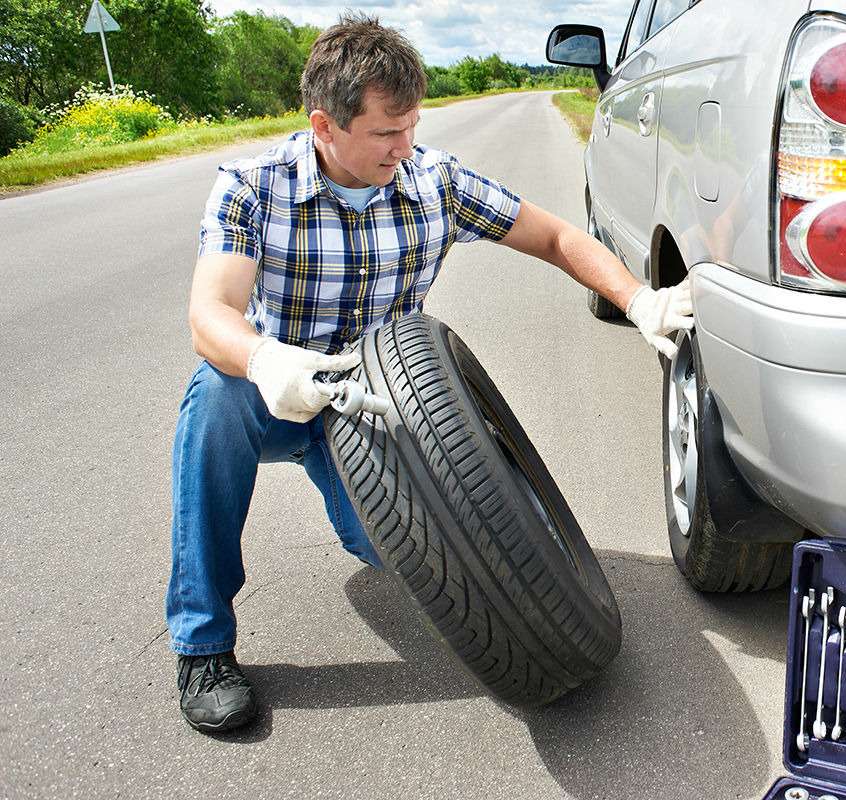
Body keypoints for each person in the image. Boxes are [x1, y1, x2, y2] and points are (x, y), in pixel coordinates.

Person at [168, 13, 692, 734]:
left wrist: (637, 299)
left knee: (385, 548)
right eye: (385, 133)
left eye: (411, 126)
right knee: (214, 399)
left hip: (370, 404)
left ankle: (359, 504)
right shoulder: (253, 187)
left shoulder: (433, 181)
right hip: (278, 386)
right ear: (324, 126)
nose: (403, 147)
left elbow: (558, 235)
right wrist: (264, 359)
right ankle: (203, 644)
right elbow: (210, 312)